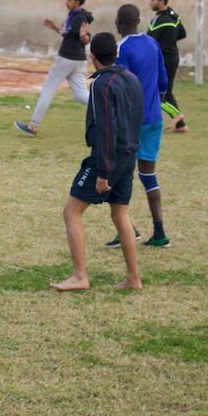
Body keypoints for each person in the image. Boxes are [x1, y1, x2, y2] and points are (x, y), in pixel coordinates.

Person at [51, 32, 144, 292]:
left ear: (93, 58)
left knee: (71, 212)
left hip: (107, 159)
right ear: (116, 54)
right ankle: (133, 278)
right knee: (120, 213)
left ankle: (80, 276)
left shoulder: (102, 85)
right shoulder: (132, 79)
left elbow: (105, 128)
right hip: (128, 156)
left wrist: (103, 172)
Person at [104, 4, 171, 249]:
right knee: (148, 175)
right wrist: (155, 103)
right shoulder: (153, 43)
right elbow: (163, 81)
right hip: (154, 119)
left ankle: (127, 231)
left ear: (118, 22)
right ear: (139, 20)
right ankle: (160, 233)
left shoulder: (121, 48)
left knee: (116, 175)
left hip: (131, 122)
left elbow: (122, 85)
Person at [14, 0, 93, 136]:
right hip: (79, 60)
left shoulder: (78, 17)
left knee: (48, 89)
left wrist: (79, 36)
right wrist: (55, 27)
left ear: (78, 1)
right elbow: (71, 33)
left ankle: (33, 126)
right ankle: (109, 107)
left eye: (69, 0)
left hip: (67, 58)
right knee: (81, 95)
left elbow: (76, 35)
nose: (66, 2)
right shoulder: (78, 15)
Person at [146, 0, 188, 132]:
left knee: (159, 92)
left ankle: (178, 116)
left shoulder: (158, 21)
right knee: (167, 91)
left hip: (163, 60)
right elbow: (183, 33)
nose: (150, 2)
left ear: (161, 1)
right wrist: (169, 41)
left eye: (153, 0)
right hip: (173, 57)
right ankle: (181, 125)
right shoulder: (173, 16)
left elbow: (150, 41)